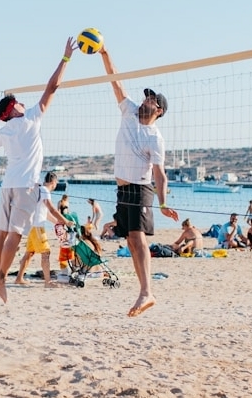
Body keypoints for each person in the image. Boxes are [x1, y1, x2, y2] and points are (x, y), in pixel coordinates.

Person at [0, 37, 76, 303]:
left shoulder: (6, 130)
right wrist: (65, 58)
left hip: (8, 185)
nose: (22, 102)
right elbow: (52, 87)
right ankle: (0, 279)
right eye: (18, 102)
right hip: (26, 186)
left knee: (1, 234)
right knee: (15, 237)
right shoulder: (30, 118)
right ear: (14, 108)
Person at [99, 44, 179, 317]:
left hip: (141, 188)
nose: (145, 100)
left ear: (159, 111)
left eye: (151, 100)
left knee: (138, 238)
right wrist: (105, 53)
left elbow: (160, 173)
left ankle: (147, 292)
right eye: (146, 97)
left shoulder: (155, 138)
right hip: (122, 190)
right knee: (131, 242)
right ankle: (144, 292)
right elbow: (115, 80)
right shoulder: (129, 112)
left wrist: (164, 201)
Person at [14, 172, 75, 287]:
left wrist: (58, 222)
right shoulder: (45, 191)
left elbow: (45, 213)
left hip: (33, 226)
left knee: (29, 253)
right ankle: (48, 282)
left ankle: (19, 278)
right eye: (56, 182)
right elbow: (52, 209)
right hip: (37, 227)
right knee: (46, 252)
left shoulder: (39, 190)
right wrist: (66, 221)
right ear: (54, 182)